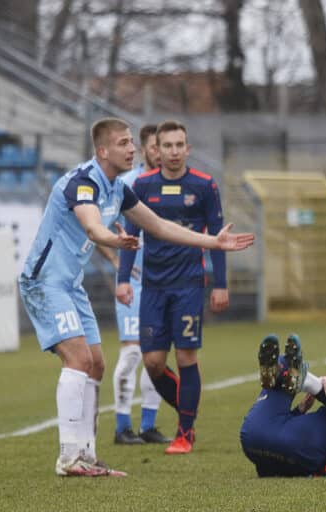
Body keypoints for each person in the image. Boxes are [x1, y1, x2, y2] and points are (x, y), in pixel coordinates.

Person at [18, 117, 254, 477]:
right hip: (44, 282)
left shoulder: (119, 188)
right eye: (124, 143)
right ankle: (69, 458)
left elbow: (158, 225)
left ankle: (87, 455)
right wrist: (112, 240)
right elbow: (92, 225)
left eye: (132, 142)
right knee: (79, 360)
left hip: (70, 284)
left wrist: (213, 242)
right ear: (103, 151)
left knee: (96, 363)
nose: (134, 148)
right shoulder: (84, 182)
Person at [117, 120, 230, 455]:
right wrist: (123, 279)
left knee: (184, 356)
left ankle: (185, 431)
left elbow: (218, 238)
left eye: (180, 145)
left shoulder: (205, 185)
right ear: (157, 150)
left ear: (188, 149)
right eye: (167, 146)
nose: (174, 151)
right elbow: (130, 234)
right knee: (152, 362)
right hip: (152, 286)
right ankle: (187, 410)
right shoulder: (141, 185)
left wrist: (220, 284)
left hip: (188, 286)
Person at [240, 334, 326, 477]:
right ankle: (280, 373)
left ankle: (309, 382)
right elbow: (277, 437)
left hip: (261, 438)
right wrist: (300, 410)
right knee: (285, 368)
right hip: (256, 441)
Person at [111, 124, 170, 445]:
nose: (158, 152)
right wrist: (118, 264)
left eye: (162, 146)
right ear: (147, 149)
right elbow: (102, 227)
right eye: (153, 146)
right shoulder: (128, 184)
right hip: (134, 285)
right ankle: (122, 425)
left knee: (155, 355)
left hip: (162, 283)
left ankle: (148, 425)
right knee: (133, 353)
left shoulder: (170, 185)